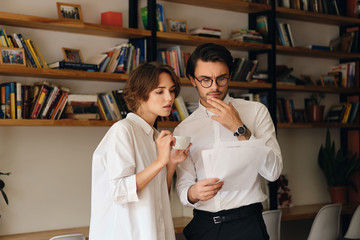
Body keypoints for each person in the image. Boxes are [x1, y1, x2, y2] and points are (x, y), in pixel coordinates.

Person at [174, 43, 283, 240]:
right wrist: (193, 192)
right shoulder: (184, 129)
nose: (214, 87)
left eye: (221, 78)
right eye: (205, 80)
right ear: (192, 80)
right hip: (204, 227)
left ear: (229, 76)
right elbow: (183, 184)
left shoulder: (256, 112)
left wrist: (239, 128)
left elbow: (273, 172)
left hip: (248, 225)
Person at [89, 62, 190, 240]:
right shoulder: (123, 130)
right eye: (160, 91)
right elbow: (120, 191)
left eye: (172, 90)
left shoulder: (155, 136)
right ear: (140, 95)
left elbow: (159, 195)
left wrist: (171, 163)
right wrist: (160, 162)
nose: (169, 98)